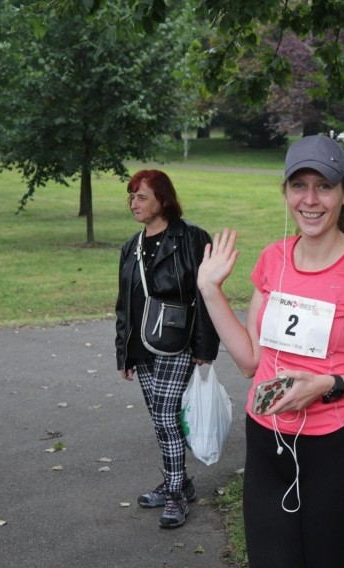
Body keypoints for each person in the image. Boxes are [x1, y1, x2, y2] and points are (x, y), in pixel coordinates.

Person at [196, 135, 344, 567]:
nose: (310, 200)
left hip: (334, 450)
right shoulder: (273, 258)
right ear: (286, 192)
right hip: (266, 440)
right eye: (299, 186)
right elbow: (249, 361)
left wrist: (329, 385)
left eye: (324, 186)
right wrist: (210, 289)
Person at [115, 169, 220, 529]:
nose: (134, 203)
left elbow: (207, 296)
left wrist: (205, 346)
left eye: (141, 196)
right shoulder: (132, 245)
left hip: (178, 342)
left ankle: (175, 492)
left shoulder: (192, 239)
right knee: (162, 420)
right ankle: (181, 482)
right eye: (131, 197)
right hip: (142, 345)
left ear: (163, 199)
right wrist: (124, 353)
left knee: (164, 416)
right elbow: (123, 305)